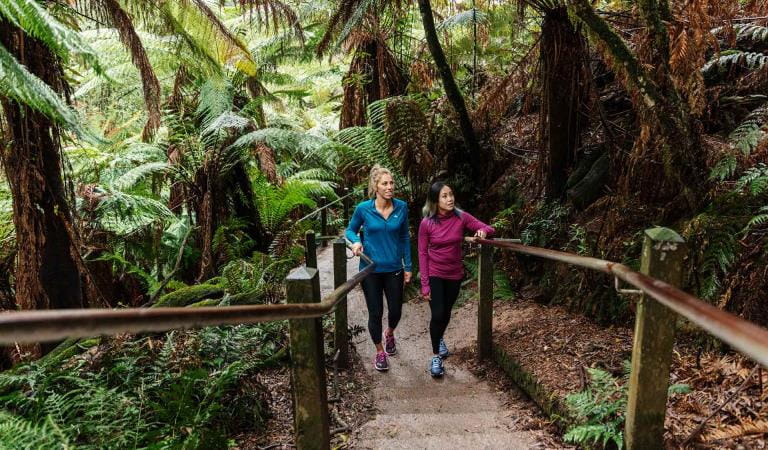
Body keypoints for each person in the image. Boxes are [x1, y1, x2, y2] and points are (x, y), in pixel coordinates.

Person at [418, 181, 494, 377]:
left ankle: (439, 337)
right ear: (435, 200)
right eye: (444, 196)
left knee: (446, 313)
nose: (450, 199)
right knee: (438, 313)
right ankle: (436, 356)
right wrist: (425, 285)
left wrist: (483, 231)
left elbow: (488, 228)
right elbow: (422, 253)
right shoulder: (427, 223)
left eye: (451, 194)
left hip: (454, 275)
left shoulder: (461, 217)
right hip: (435, 273)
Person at [346, 165, 412, 372]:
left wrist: (408, 266)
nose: (390, 186)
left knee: (396, 311)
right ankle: (380, 352)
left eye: (391, 183)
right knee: (375, 313)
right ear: (376, 187)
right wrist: (356, 241)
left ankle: (389, 333)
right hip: (370, 270)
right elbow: (350, 230)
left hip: (394, 268)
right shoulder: (363, 208)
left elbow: (404, 237)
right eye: (385, 183)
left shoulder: (401, 207)